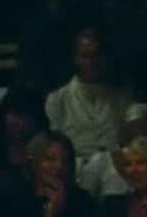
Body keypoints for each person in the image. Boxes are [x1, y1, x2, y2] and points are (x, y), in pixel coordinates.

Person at [46, 29, 131, 161]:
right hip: (78, 167)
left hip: (116, 166)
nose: (92, 62)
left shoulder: (121, 98)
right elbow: (55, 143)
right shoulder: (57, 99)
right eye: (86, 56)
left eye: (96, 55)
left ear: (104, 58)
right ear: (76, 59)